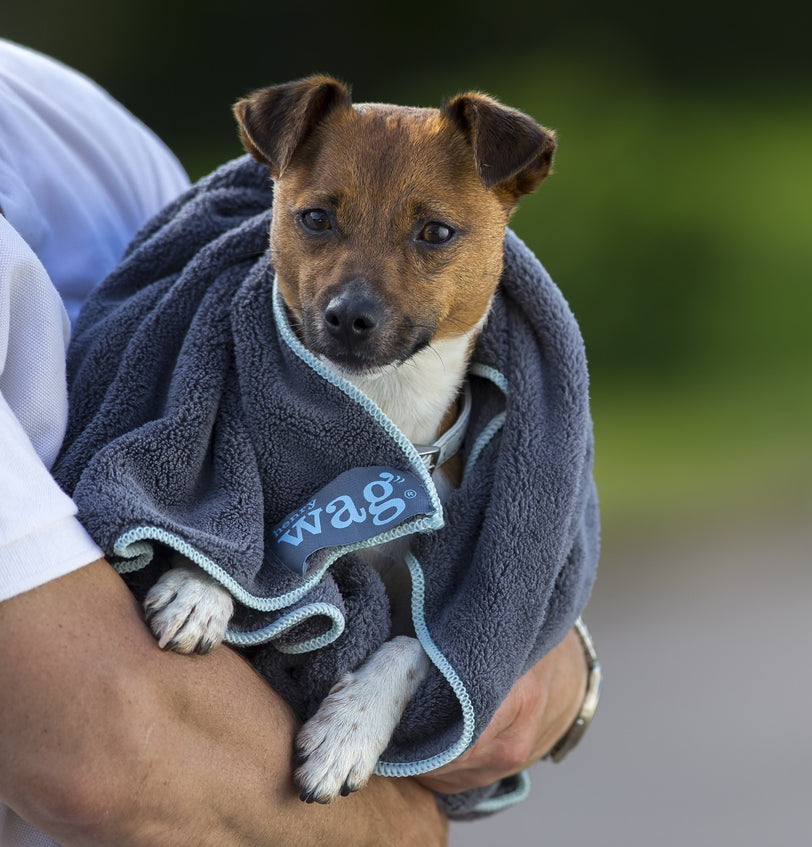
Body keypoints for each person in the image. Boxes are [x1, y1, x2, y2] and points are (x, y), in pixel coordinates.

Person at [0, 39, 589, 847]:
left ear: (508, 195)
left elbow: (478, 605)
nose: (357, 289)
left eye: (432, 236)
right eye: (319, 222)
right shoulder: (227, 386)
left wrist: (544, 663)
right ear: (273, 191)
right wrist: (216, 568)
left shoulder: (70, 122)